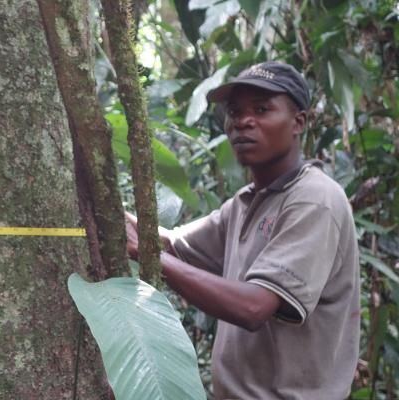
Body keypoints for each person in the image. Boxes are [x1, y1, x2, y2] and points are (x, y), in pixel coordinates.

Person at [125, 61, 360, 399]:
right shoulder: (247, 201)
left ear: (299, 122)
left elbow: (254, 308)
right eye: (234, 112)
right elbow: (174, 245)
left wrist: (146, 253)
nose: (242, 121)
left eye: (261, 109)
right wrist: (114, 214)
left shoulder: (314, 200)